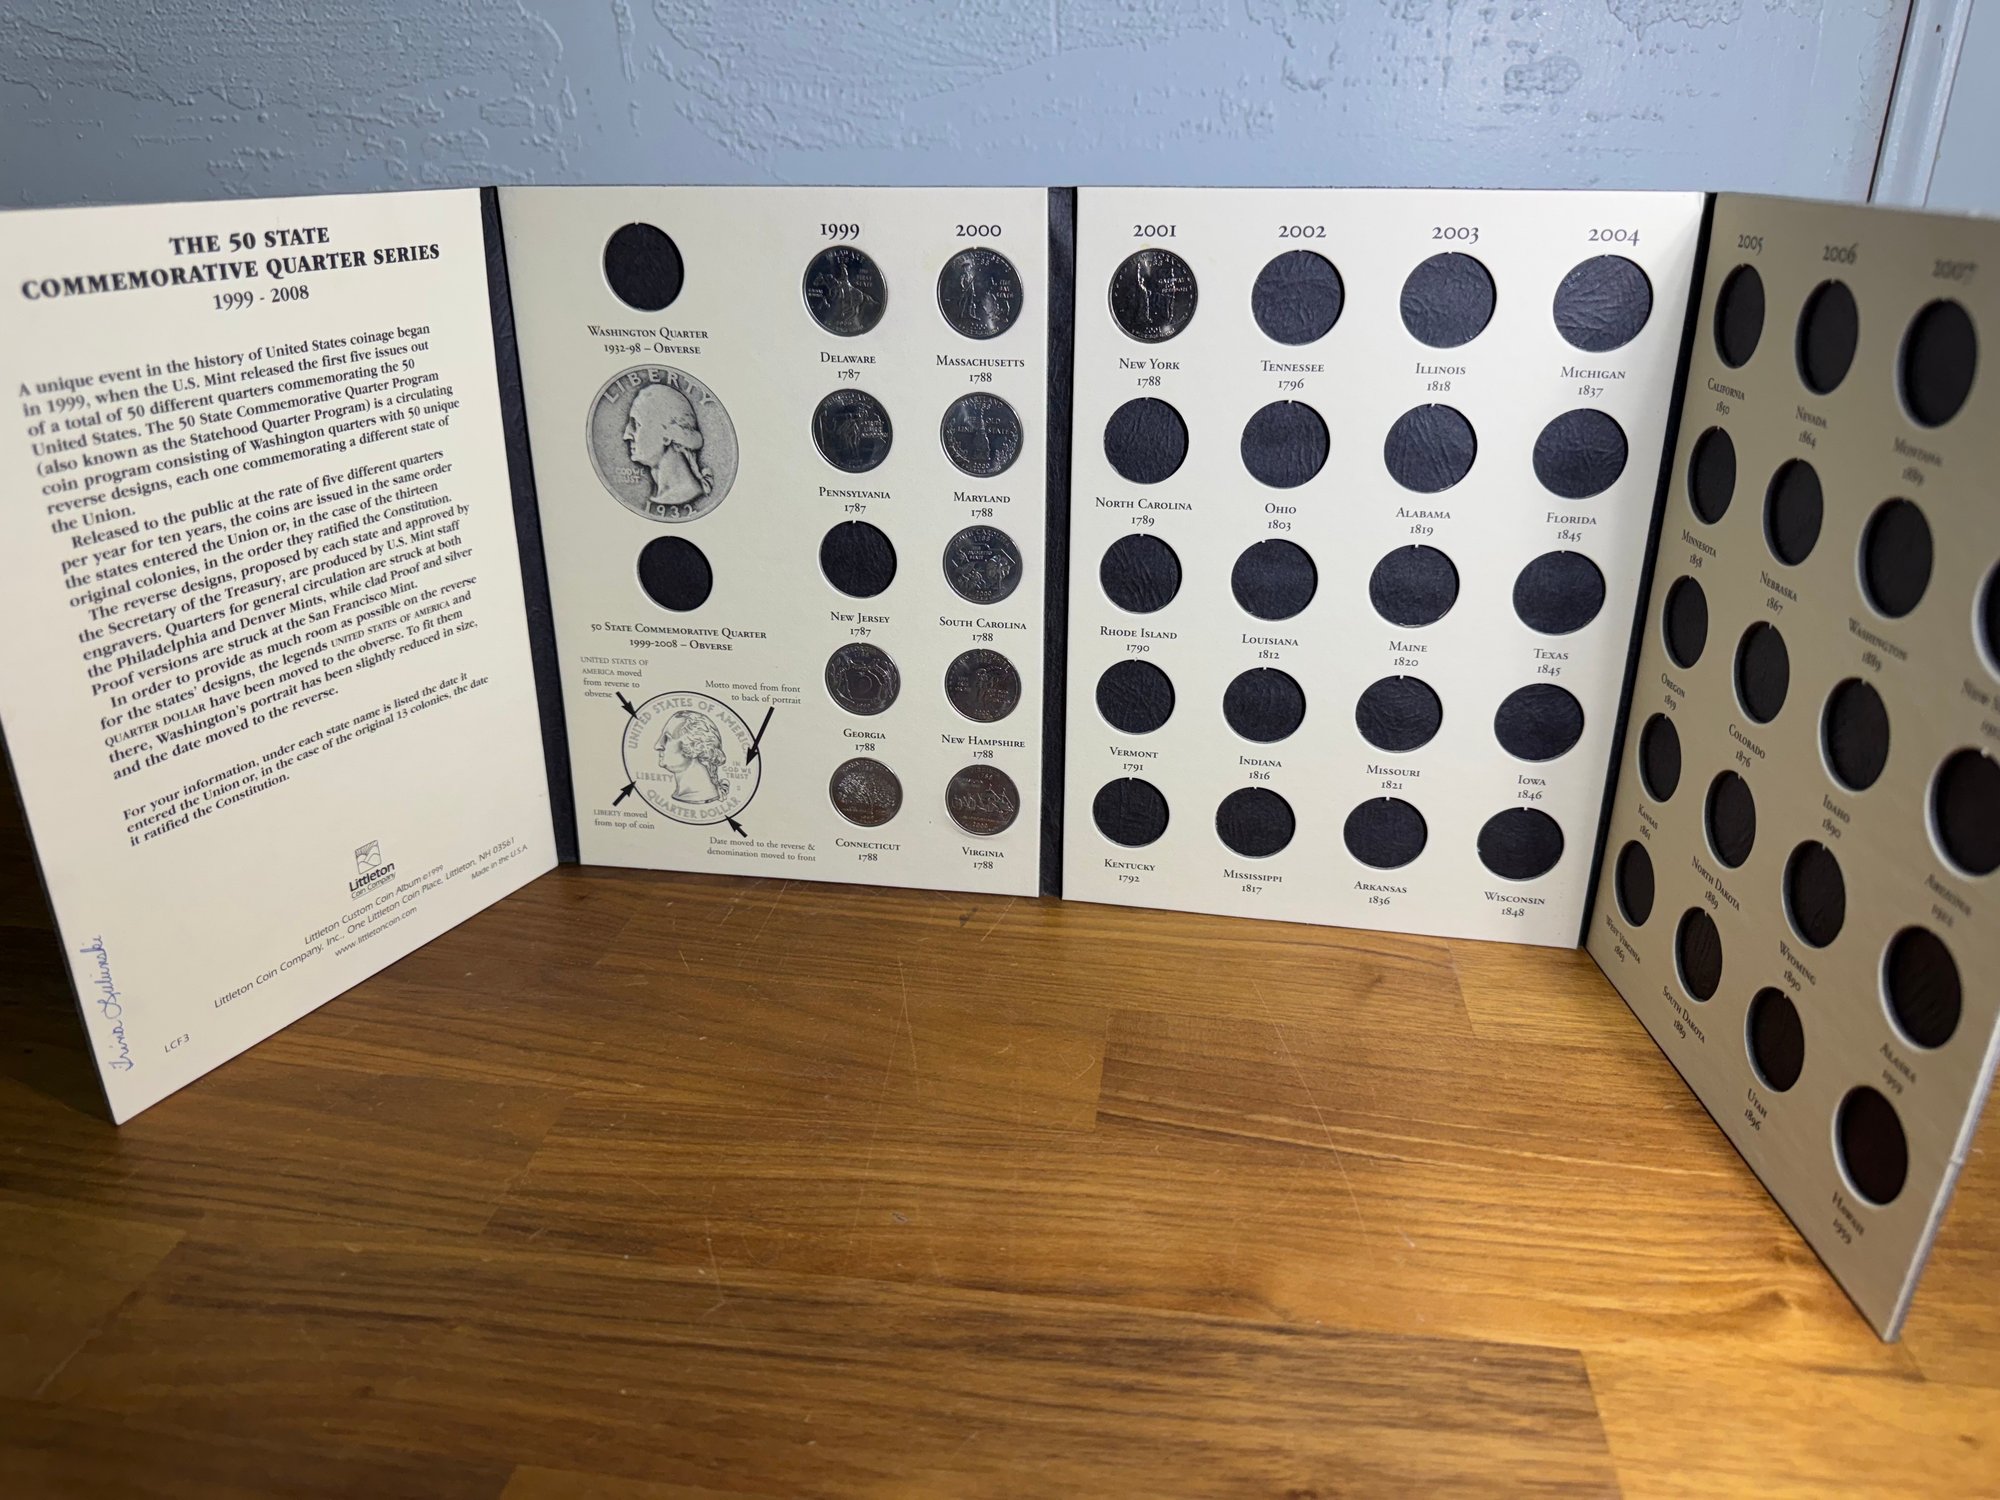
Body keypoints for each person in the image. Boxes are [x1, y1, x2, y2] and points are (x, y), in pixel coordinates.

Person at [622, 381, 714, 507]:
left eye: (637, 424)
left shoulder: (685, 494)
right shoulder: (663, 496)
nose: (627, 435)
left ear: (667, 436)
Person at [655, 709, 730, 805]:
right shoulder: (683, 794)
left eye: (667, 738)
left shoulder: (701, 794)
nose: (658, 745)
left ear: (696, 746)